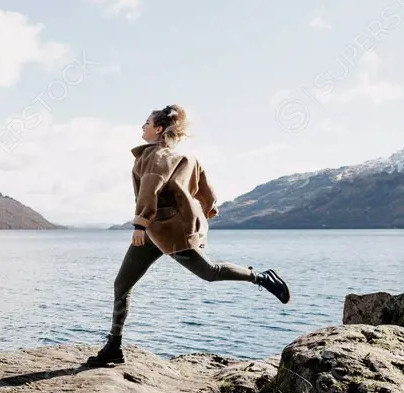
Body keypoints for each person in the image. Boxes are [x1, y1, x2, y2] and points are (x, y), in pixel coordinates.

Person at [85, 104, 290, 368]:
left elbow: (150, 187)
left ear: (158, 129)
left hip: (166, 231)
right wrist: (208, 207)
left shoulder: (156, 155)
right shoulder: (185, 158)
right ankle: (114, 345)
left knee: (209, 272)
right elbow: (206, 189)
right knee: (121, 285)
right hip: (155, 232)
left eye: (146, 123)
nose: (142, 126)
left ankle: (259, 277)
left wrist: (139, 224)